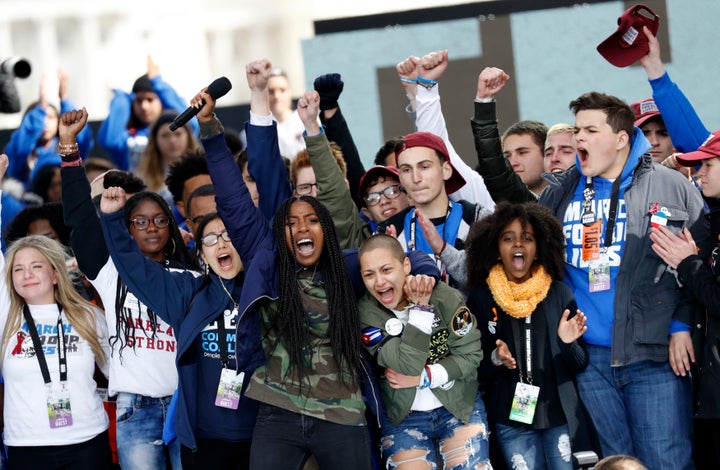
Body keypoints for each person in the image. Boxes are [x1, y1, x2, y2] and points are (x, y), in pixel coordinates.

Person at [538, 91, 705, 469]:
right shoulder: (560, 191)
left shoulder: (670, 185)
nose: (580, 138)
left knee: (666, 462)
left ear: (620, 139)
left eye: (591, 130)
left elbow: (697, 264)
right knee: (616, 463)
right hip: (590, 358)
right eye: (577, 129)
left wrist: (681, 325)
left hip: (655, 354)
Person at [59, 107, 199, 470]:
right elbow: (80, 219)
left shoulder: (194, 275)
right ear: (125, 229)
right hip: (136, 407)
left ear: (171, 227)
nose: (151, 228)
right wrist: (69, 149)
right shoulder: (110, 272)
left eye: (159, 220)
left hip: (189, 403)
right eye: (139, 222)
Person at [0, 152, 112, 469]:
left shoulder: (88, 316)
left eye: (37, 266)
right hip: (27, 446)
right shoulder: (6, 315)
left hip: (88, 443)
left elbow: (119, 374)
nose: (28, 274)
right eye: (18, 269)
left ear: (55, 273)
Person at [466, 202, 593, 470]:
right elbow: (476, 368)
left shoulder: (559, 294)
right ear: (496, 250)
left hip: (558, 416)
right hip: (510, 419)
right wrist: (496, 358)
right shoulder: (481, 297)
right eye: (508, 238)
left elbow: (579, 364)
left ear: (539, 250)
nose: (517, 245)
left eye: (527, 238)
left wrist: (568, 343)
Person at [358, 233, 491, 469]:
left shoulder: (444, 296)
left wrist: (425, 377)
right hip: (403, 415)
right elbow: (406, 366)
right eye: (369, 274)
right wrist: (420, 312)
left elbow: (472, 355)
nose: (379, 282)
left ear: (406, 265)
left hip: (458, 405)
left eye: (386, 269)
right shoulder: (367, 312)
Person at [649, 132, 720, 468]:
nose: (699, 173)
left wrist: (689, 263)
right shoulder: (709, 222)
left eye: (707, 164)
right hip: (708, 389)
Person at [379, 130, 492, 288]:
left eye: (424, 167)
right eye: (406, 170)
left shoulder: (477, 219)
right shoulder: (388, 231)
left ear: (446, 170)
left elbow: (491, 280)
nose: (416, 178)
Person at [97, 55, 198, 172]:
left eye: (150, 100)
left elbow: (191, 124)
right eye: (138, 101)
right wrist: (122, 97)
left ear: (162, 101)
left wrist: (158, 82)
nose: (144, 107)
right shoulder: (129, 138)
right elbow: (110, 141)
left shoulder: (175, 130)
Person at [3, 68, 93, 186]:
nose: (44, 123)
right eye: (40, 118)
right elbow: (20, 150)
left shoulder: (68, 148)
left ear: (58, 121)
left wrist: (64, 99)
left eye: (50, 118)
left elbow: (80, 136)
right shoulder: (20, 149)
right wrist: (41, 108)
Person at [136, 110, 200, 204]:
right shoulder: (143, 178)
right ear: (155, 140)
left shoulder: (204, 170)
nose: (172, 140)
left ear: (188, 136)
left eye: (178, 134)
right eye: (165, 135)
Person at [267, 67, 306, 160]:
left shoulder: (306, 121)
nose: (277, 96)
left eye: (282, 90)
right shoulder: (258, 129)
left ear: (290, 91)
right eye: (271, 91)